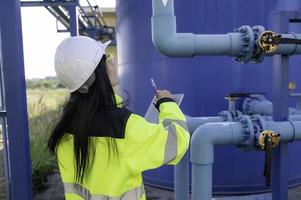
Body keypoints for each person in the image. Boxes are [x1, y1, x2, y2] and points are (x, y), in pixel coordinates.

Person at [48, 36, 190, 200]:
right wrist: (167, 103)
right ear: (97, 72)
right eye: (107, 57)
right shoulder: (125, 128)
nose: (112, 61)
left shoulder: (63, 130)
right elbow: (177, 140)